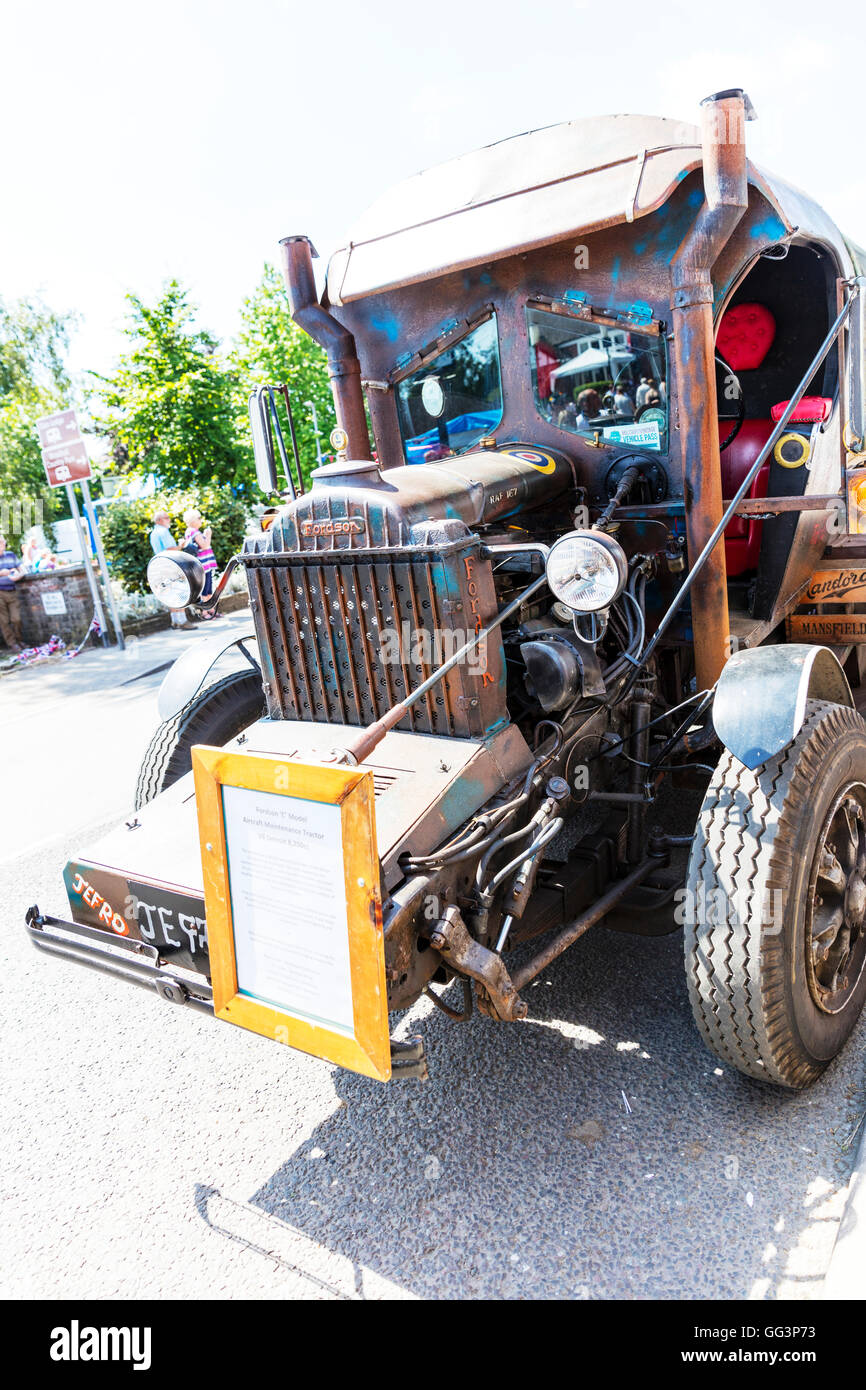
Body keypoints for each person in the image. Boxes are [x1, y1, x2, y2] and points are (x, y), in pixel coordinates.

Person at [149, 509, 189, 629]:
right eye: (167, 518)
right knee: (179, 591)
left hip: (160, 564)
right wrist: (180, 546)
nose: (169, 520)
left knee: (169, 592)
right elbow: (170, 549)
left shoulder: (153, 533)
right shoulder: (163, 531)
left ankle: (175, 621)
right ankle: (182, 621)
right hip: (170, 564)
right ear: (159, 520)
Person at [182, 508, 219, 621]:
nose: (200, 520)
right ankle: (206, 612)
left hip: (203, 564)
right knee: (206, 588)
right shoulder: (194, 532)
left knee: (208, 588)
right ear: (192, 520)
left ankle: (211, 611)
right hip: (204, 564)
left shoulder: (190, 532)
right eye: (198, 518)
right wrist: (208, 535)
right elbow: (204, 545)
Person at [0, 534, 25, 652]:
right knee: (4, 621)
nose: (1, 545)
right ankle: (12, 644)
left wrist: (18, 575)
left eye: (2, 543)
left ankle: (20, 640)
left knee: (17, 619)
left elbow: (23, 569)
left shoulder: (11, 555)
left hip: (12, 590)